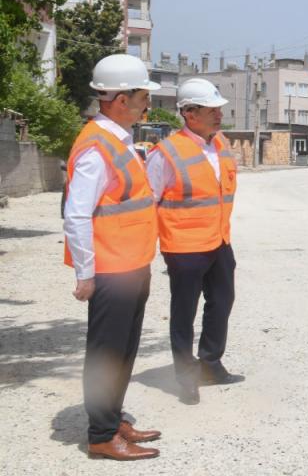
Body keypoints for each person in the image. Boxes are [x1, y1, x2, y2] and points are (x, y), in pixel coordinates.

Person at [62, 54, 163, 461]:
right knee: (107, 353)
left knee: (123, 350)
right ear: (121, 99)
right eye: (142, 96)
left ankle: (114, 418)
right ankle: (102, 435)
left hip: (132, 265)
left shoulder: (118, 139)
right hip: (110, 269)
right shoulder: (95, 146)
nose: (146, 104)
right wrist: (86, 272)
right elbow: (77, 214)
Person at [145, 78, 242, 406]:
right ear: (189, 113)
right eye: (211, 109)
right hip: (184, 247)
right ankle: (185, 376)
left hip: (219, 241)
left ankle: (210, 364)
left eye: (218, 109)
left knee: (223, 299)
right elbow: (149, 201)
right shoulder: (166, 153)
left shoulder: (220, 144)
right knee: (184, 311)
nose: (219, 115)